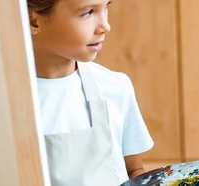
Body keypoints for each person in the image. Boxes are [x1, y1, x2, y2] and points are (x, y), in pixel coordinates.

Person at [28, 0, 154, 184]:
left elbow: (134, 170)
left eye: (106, 7)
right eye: (88, 12)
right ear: (34, 22)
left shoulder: (115, 87)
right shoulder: (4, 103)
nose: (105, 26)